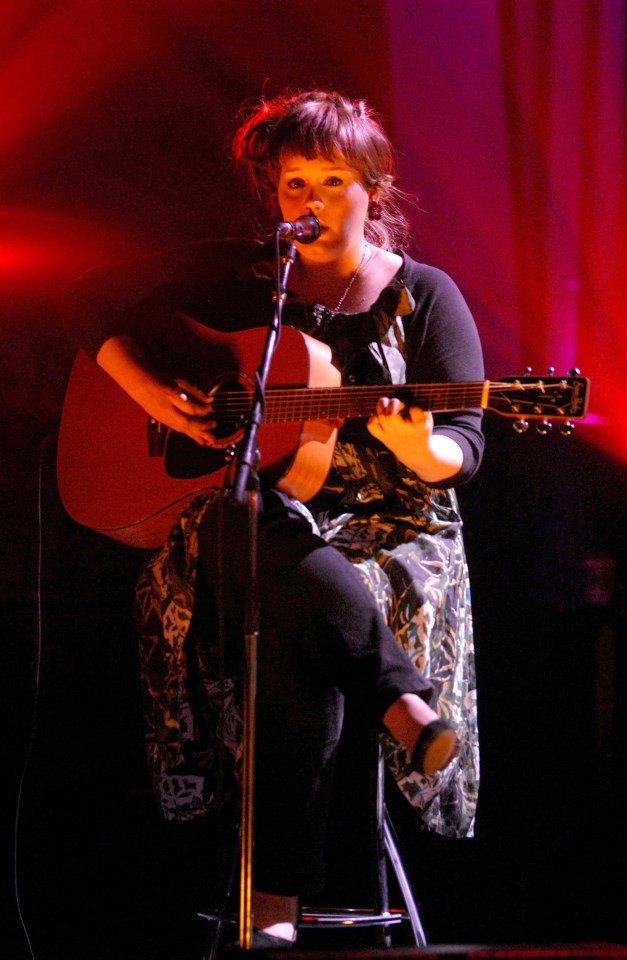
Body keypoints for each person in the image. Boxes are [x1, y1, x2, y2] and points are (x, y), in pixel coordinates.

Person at [61, 89, 485, 947]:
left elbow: (464, 447)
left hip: (385, 526)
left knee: (291, 618)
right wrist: (161, 401)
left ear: (374, 188)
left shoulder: (424, 294)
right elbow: (84, 301)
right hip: (251, 516)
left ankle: (274, 915)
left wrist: (415, 446)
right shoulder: (242, 278)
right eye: (297, 184)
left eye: (334, 180)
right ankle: (400, 700)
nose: (315, 201)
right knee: (242, 518)